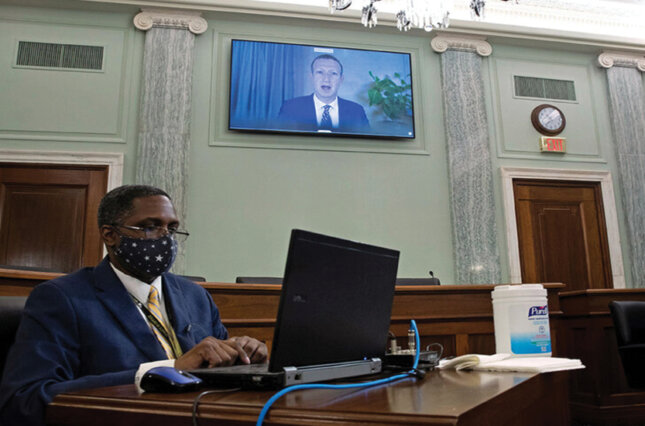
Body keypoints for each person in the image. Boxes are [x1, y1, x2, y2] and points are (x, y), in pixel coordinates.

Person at [0, 185, 267, 426]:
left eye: (171, 229)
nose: (165, 239)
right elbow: (25, 400)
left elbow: (220, 376)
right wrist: (164, 371)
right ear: (110, 235)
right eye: (150, 226)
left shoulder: (195, 296)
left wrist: (244, 358)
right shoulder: (62, 298)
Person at [277, 54, 370, 133]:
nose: (326, 79)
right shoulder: (291, 108)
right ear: (311, 77)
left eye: (333, 73)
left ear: (341, 79)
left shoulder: (357, 111)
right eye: (320, 72)